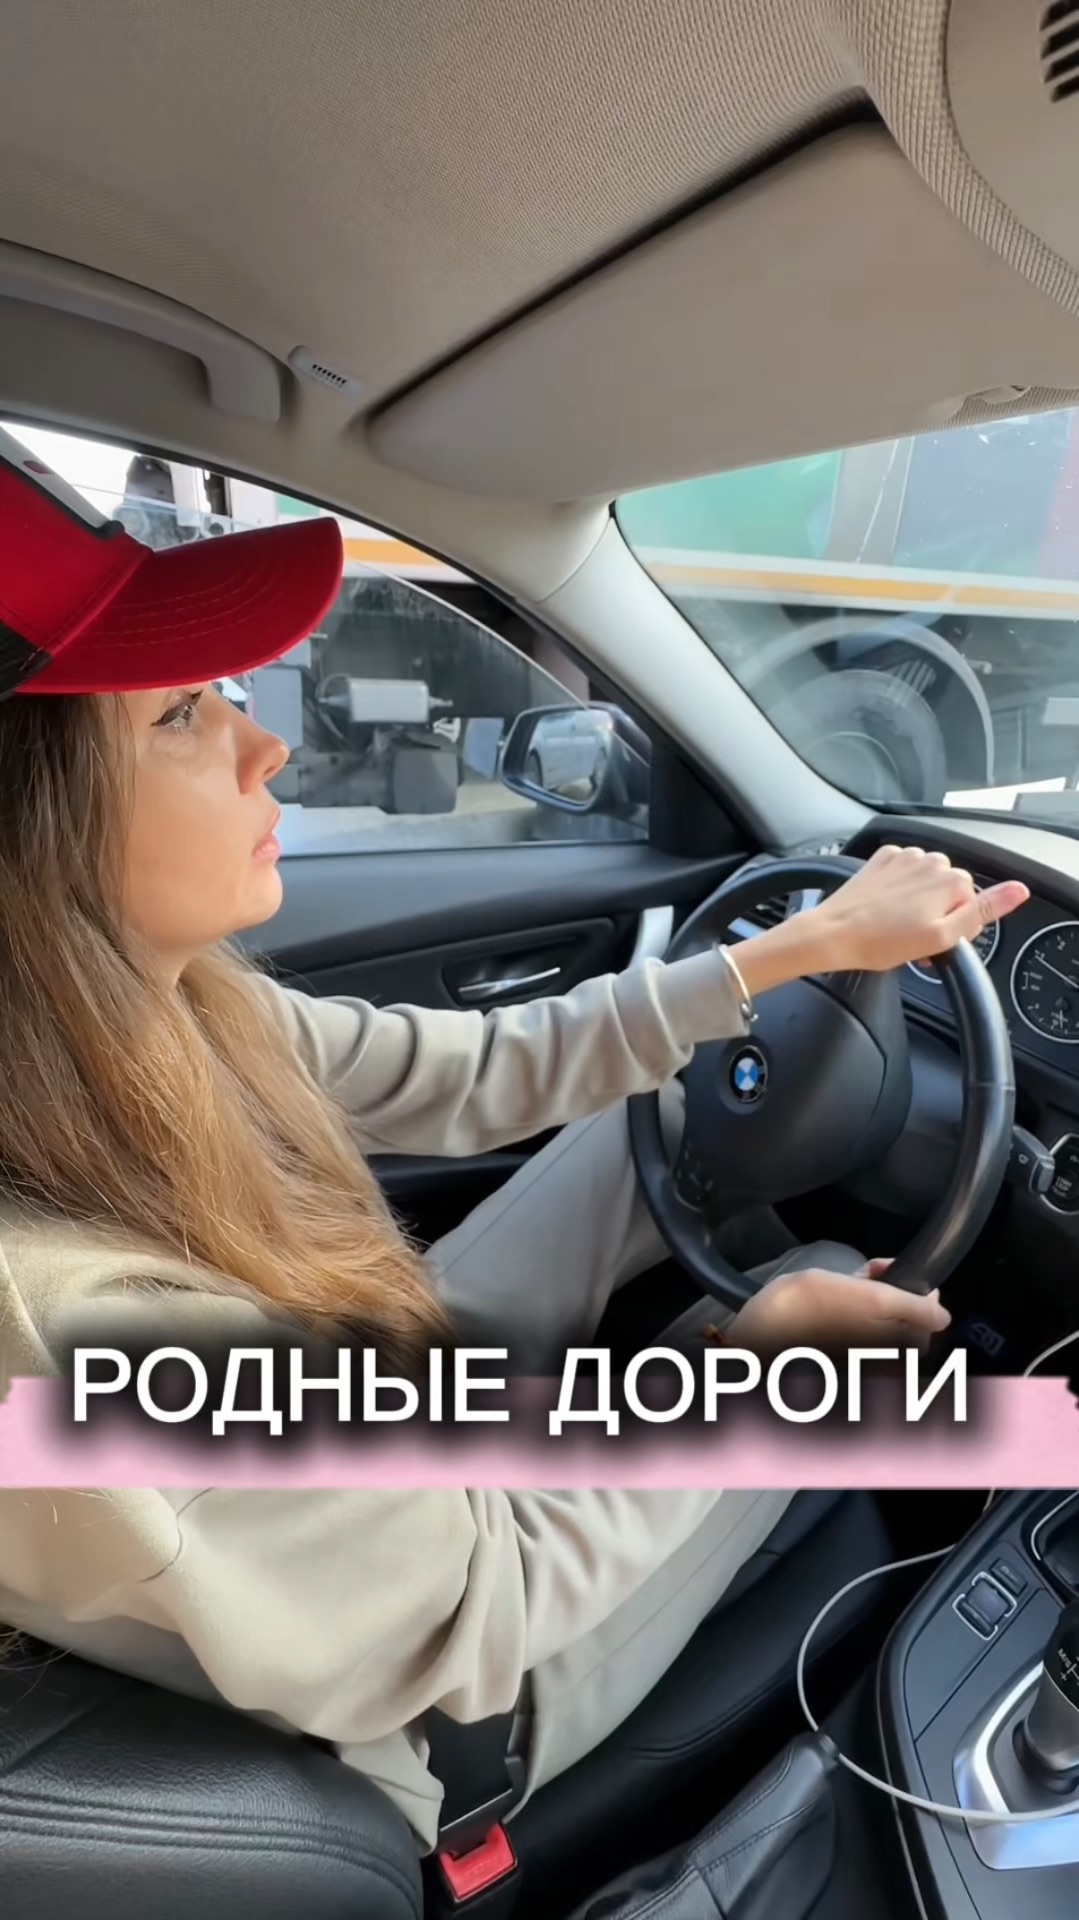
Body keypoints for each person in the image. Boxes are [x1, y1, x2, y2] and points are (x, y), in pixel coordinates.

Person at [0, 429, 1029, 1848]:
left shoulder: (163, 1014)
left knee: (650, 1127)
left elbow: (482, 1070)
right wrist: (751, 1360)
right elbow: (495, 1590)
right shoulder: (62, 1321)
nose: (265, 742)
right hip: (464, 1700)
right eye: (178, 714)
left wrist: (800, 949)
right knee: (835, 1282)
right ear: (29, 828)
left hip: (371, 1447)